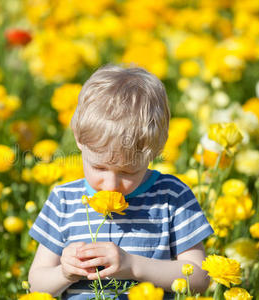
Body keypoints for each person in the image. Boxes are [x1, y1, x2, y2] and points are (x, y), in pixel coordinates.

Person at [28, 65, 214, 299]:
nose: (111, 184)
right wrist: (65, 272)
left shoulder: (172, 196)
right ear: (78, 139)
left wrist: (134, 266)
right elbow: (36, 284)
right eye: (99, 167)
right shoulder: (63, 200)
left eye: (128, 171)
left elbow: (200, 278)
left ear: (155, 152)